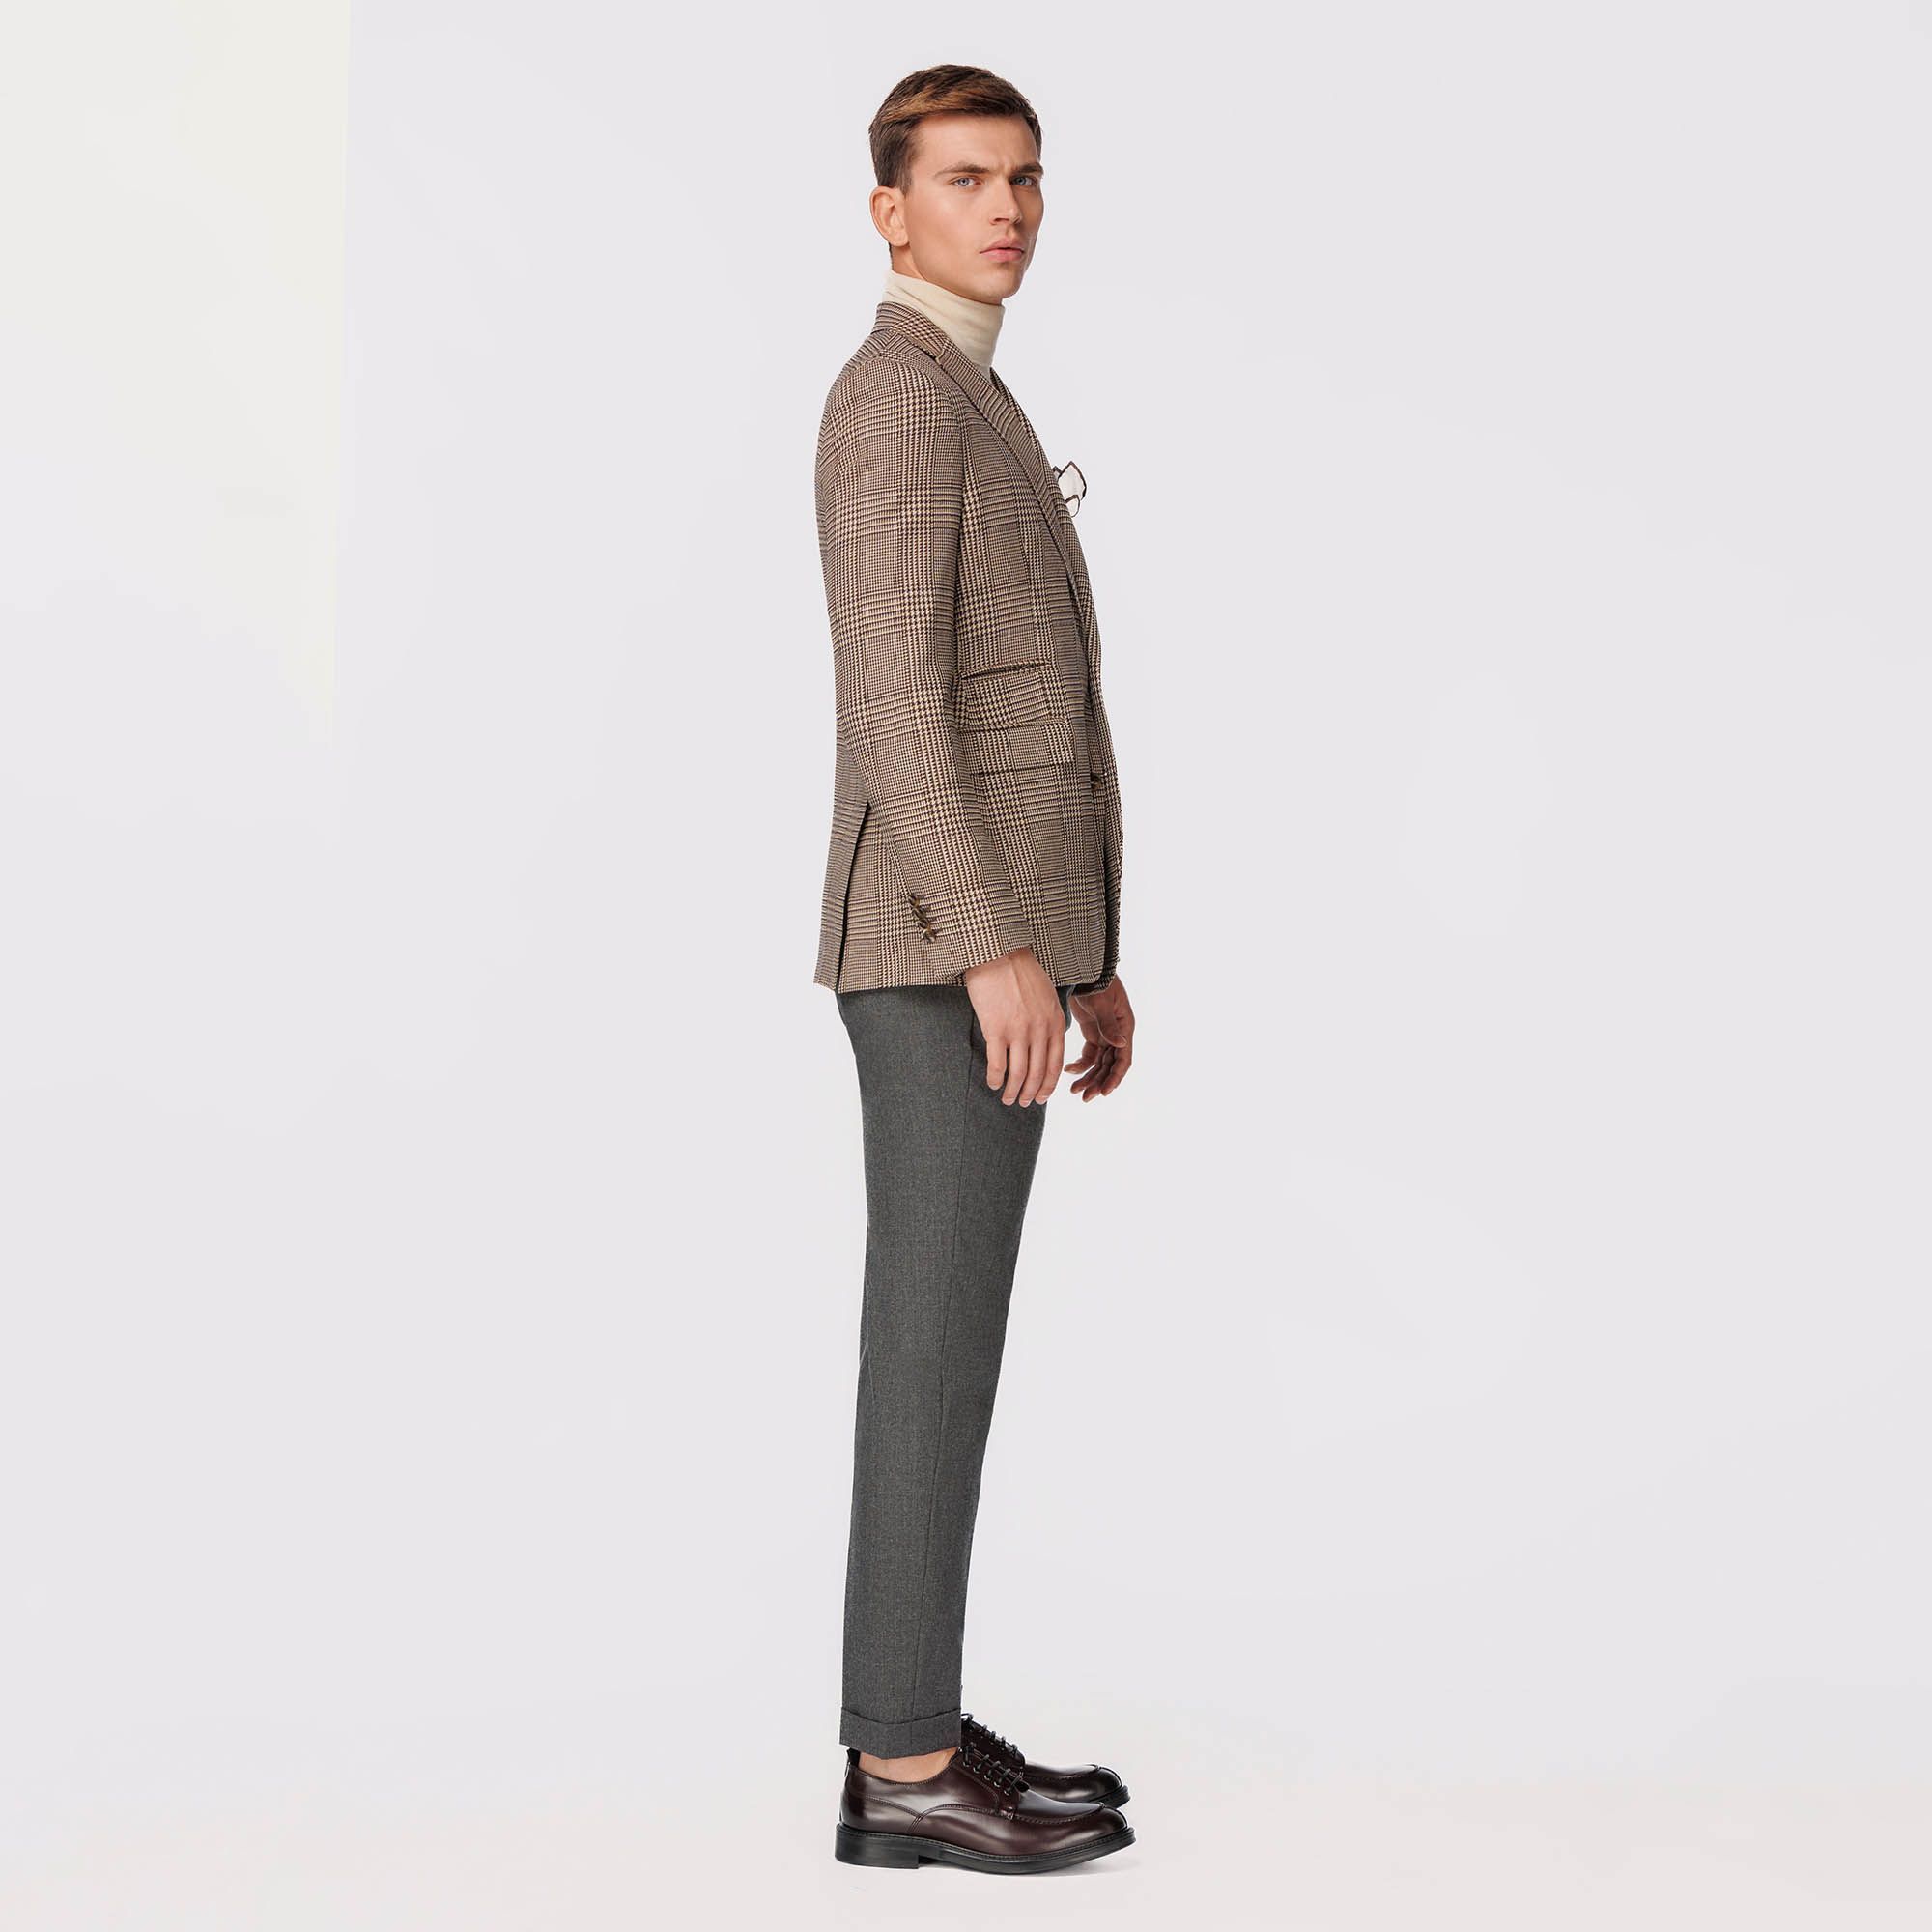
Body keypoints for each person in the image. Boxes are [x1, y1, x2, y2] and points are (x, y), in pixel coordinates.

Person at [810, 63, 1138, 1876]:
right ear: (891, 209)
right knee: (929, 1344)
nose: (1004, 208)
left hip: (1000, 949)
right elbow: (897, 707)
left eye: (1024, 177)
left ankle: (916, 1727)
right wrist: (1003, 945)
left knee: (953, 1338)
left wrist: (1087, 960)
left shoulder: (971, 389)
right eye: (963, 179)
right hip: (940, 951)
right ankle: (906, 1763)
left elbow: (1029, 709)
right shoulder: (893, 398)